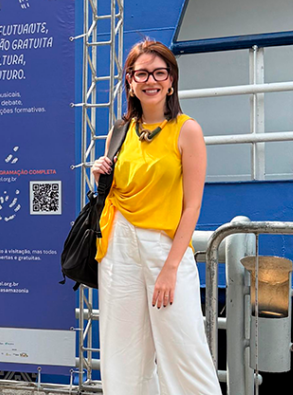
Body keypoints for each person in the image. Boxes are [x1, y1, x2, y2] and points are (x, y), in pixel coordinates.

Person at [91, 39, 220, 394]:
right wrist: (99, 175)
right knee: (122, 352)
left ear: (171, 80)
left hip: (165, 248)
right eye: (142, 73)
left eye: (159, 72)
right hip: (118, 245)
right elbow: (112, 193)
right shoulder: (120, 131)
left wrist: (170, 267)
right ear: (130, 82)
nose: (151, 80)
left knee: (184, 348)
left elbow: (192, 206)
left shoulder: (186, 130)